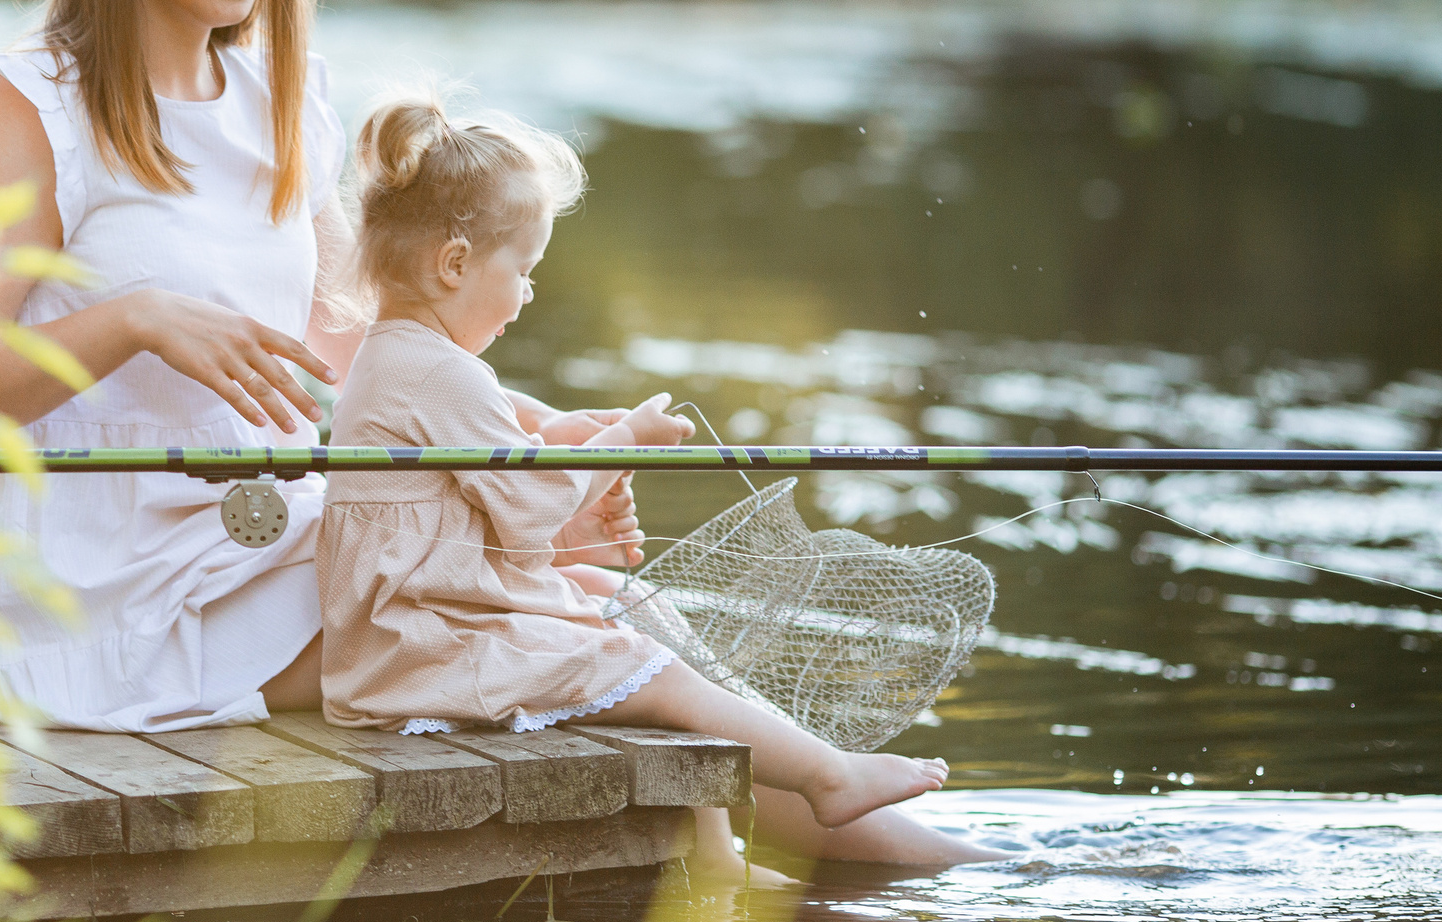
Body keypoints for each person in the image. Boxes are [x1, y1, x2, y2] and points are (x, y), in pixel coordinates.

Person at [0, 0, 641, 733]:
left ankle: (812, 850)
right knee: (546, 625)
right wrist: (134, 320)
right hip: (101, 597)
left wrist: (534, 434)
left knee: (603, 604)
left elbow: (358, 351)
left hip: (272, 545)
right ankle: (829, 849)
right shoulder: (30, 108)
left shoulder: (283, 105)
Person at [320, 93, 999, 871]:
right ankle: (826, 775)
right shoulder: (440, 373)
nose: (528, 295)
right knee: (650, 671)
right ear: (454, 264)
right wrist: (621, 439)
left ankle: (721, 847)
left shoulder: (398, 354)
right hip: (419, 656)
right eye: (525, 270)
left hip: (413, 635)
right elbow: (532, 509)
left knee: (624, 615)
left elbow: (495, 464)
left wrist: (572, 431)